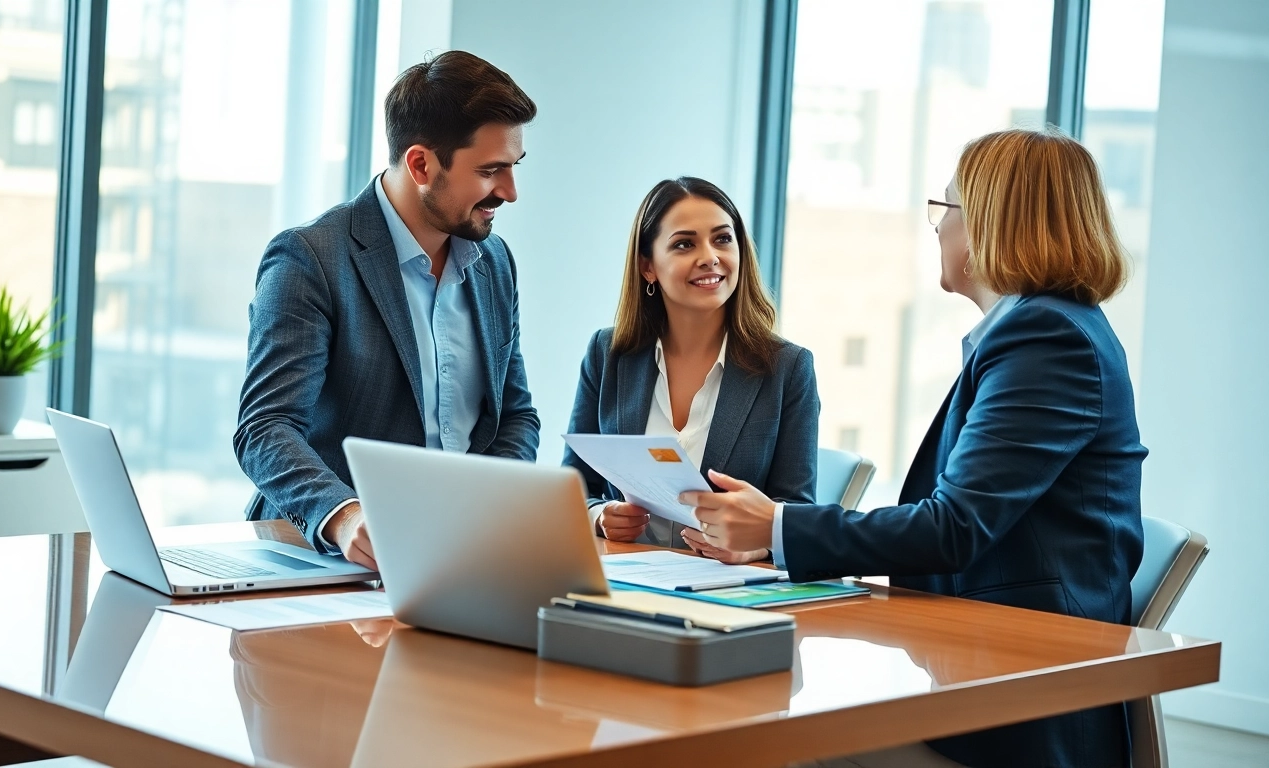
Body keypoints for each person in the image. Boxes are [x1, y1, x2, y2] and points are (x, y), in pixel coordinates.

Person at [683, 129, 1146, 768]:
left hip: (1022, 712)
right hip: (979, 666)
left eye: (947, 209)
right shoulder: (1038, 331)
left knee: (770, 742)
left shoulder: (1046, 340)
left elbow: (953, 526)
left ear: (991, 222)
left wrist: (780, 525)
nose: (937, 228)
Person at [234, 51, 540, 570]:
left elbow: (514, 416)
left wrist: (489, 506)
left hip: (453, 557)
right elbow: (266, 427)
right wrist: (345, 516)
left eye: (514, 167)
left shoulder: (494, 262)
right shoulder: (310, 259)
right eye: (491, 171)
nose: (509, 192)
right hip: (323, 558)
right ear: (420, 163)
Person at [564, 177, 818, 563]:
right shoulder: (608, 353)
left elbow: (795, 506)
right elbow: (574, 485)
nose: (709, 257)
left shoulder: (787, 368)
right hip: (624, 578)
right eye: (685, 244)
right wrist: (599, 516)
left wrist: (757, 544)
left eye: (722, 239)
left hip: (726, 591)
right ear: (648, 266)